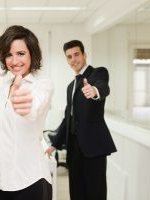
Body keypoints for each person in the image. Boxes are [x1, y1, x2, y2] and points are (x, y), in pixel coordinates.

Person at [0, 25, 54, 200]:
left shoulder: (42, 85)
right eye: (9, 54)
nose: (14, 61)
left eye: (21, 53)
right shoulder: (1, 88)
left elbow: (34, 108)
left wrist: (26, 107)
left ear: (32, 53)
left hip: (29, 181)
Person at [45, 40, 117, 200]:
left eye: (76, 54)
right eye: (69, 56)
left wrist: (95, 90)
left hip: (93, 147)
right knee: (77, 192)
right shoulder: (71, 86)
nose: (73, 59)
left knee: (95, 193)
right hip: (73, 148)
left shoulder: (97, 73)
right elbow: (68, 118)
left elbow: (103, 86)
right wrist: (55, 143)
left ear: (84, 55)